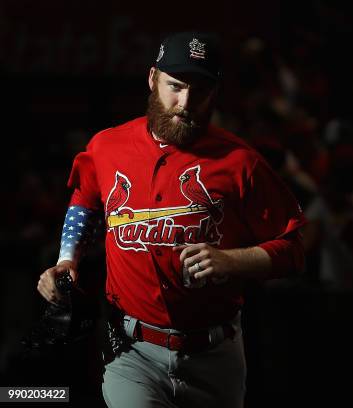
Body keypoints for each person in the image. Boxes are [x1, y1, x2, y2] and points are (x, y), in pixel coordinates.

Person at [36, 31, 306, 408]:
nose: (186, 103)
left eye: (200, 91)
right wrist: (68, 258)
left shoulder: (240, 162)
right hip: (132, 352)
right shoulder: (108, 146)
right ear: (152, 79)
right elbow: (86, 200)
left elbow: (296, 247)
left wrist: (233, 260)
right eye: (175, 86)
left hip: (215, 356)